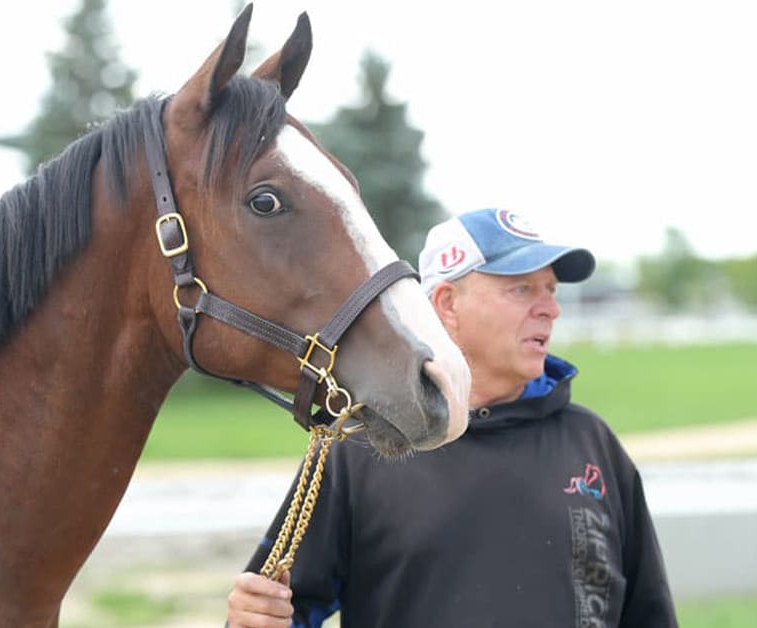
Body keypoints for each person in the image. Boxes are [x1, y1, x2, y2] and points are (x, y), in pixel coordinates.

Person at [225, 208, 678, 628]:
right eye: (522, 289)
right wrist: (253, 619)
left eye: (551, 290)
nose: (550, 309)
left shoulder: (593, 444)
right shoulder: (366, 448)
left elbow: (649, 613)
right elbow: (279, 609)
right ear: (446, 304)